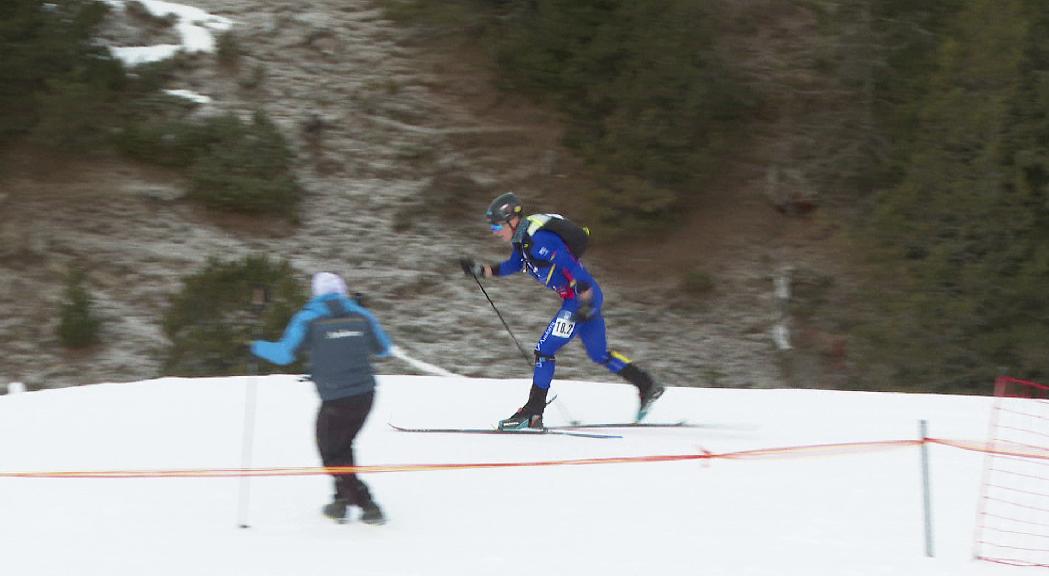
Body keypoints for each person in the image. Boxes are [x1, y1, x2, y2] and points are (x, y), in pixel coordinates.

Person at [459, 192, 664, 430]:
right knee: (599, 354)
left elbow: (572, 268)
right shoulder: (523, 244)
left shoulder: (539, 241)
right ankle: (647, 384)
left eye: (496, 226)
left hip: (580, 298)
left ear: (511, 220)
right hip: (584, 297)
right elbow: (509, 266)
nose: (494, 231)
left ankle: (533, 413)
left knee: (544, 350)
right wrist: (479, 269)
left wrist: (586, 303)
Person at [250, 272, 392, 525]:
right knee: (342, 445)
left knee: (330, 451)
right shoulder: (361, 314)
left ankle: (366, 503)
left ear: (316, 293)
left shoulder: (308, 317)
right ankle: (340, 500)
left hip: (337, 397)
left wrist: (256, 346)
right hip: (365, 395)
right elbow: (383, 348)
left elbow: (284, 355)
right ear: (342, 291)